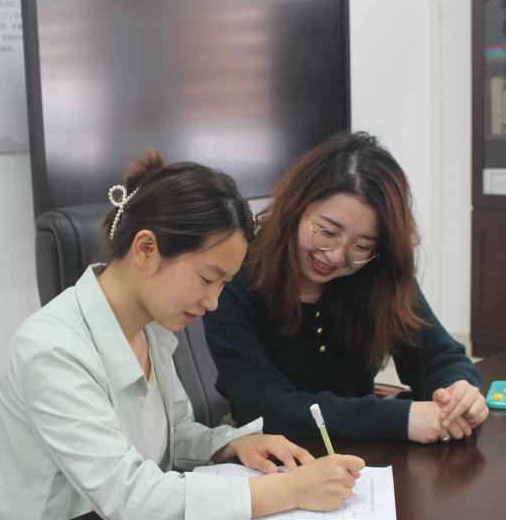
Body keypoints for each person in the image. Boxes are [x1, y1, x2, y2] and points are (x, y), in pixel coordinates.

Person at [0, 149, 364, 520]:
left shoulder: (149, 328)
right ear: (146, 249)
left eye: (224, 285)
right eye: (207, 278)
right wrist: (289, 490)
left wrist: (230, 444)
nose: (213, 302)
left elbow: (173, 437)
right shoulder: (54, 351)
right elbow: (130, 499)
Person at [204, 131, 488, 444]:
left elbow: (436, 358)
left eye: (362, 246)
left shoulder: (378, 274)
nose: (337, 256)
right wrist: (398, 418)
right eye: (327, 232)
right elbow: (265, 405)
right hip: (264, 447)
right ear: (296, 207)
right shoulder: (235, 278)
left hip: (360, 447)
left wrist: (457, 391)